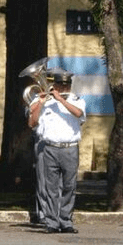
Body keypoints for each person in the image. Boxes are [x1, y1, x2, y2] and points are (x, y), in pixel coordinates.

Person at [28, 69, 86, 234]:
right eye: (60, 85)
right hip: (50, 147)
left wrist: (60, 99)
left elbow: (79, 114)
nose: (64, 88)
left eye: (67, 85)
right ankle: (52, 222)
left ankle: (66, 221)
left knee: (69, 186)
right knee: (51, 188)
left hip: (70, 148)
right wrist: (39, 103)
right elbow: (32, 123)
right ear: (54, 85)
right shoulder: (46, 102)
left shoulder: (77, 100)